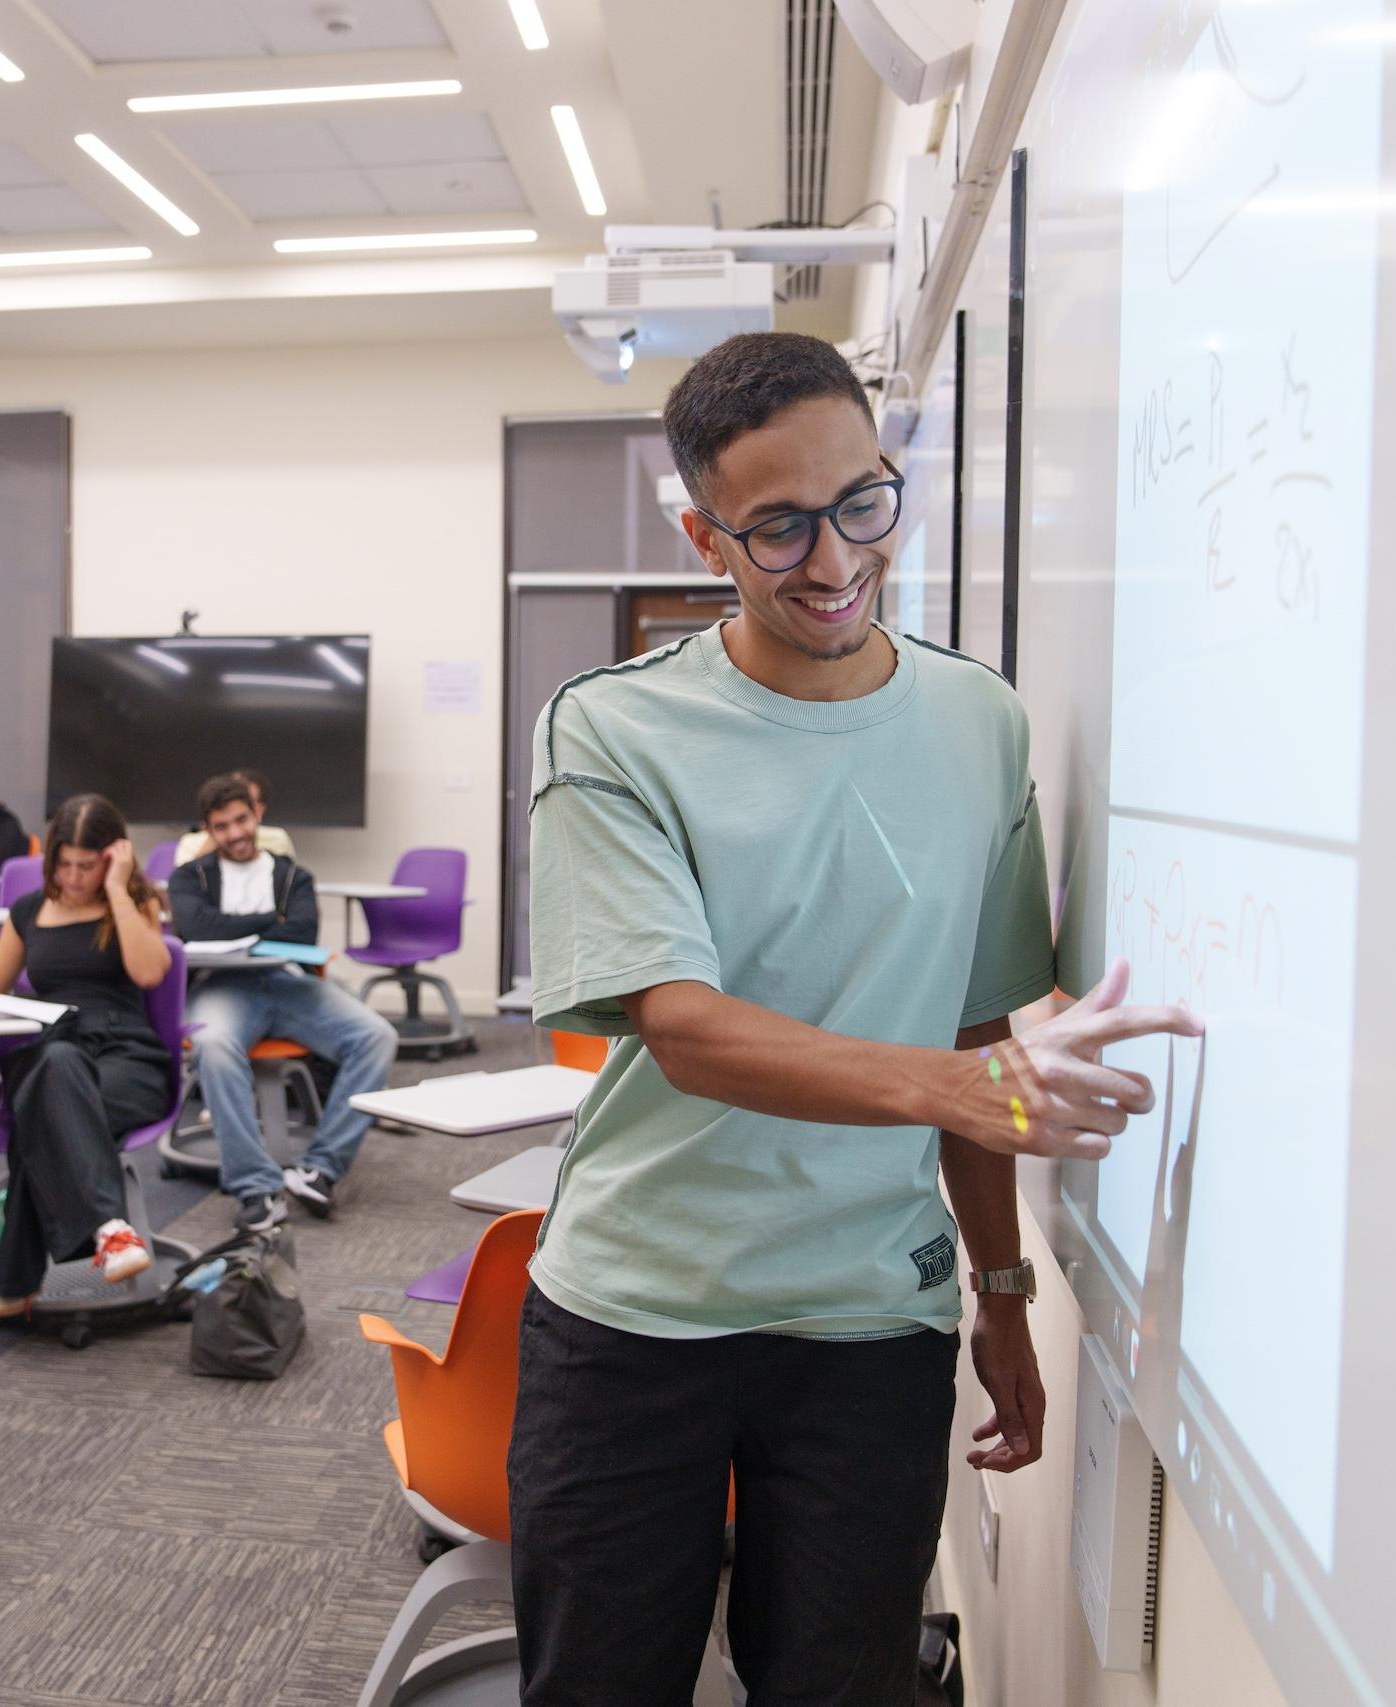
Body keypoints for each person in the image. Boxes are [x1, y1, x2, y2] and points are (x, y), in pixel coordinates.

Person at [508, 331, 1203, 1706]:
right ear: (707, 539)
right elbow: (686, 1028)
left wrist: (1002, 1290)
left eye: (860, 504)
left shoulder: (978, 721)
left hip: (868, 1318)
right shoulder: (612, 728)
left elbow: (975, 1031)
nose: (833, 559)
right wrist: (961, 1088)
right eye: (778, 528)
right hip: (639, 1307)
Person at [0, 794, 173, 1312]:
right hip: (57, 1050)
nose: (74, 878)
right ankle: (110, 1229)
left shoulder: (136, 903)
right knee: (55, 1070)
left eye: (87, 866)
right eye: (64, 865)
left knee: (42, 1113)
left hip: (127, 1058)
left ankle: (15, 1281)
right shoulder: (28, 911)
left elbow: (150, 972)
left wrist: (117, 888)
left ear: (113, 857)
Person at [167, 773, 395, 1232]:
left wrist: (229, 924)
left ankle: (321, 1169)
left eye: (241, 820)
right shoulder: (190, 877)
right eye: (221, 826)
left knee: (377, 1036)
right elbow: (196, 928)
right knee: (214, 1045)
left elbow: (303, 932)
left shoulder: (293, 875)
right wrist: (272, 920)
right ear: (208, 830)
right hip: (222, 988)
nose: (235, 833)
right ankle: (256, 1186)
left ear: (257, 815)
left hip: (287, 984)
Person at [169, 767, 295, 869]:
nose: (235, 834)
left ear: (257, 811)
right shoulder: (191, 842)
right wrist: (215, 838)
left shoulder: (277, 839)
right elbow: (186, 881)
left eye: (241, 818)